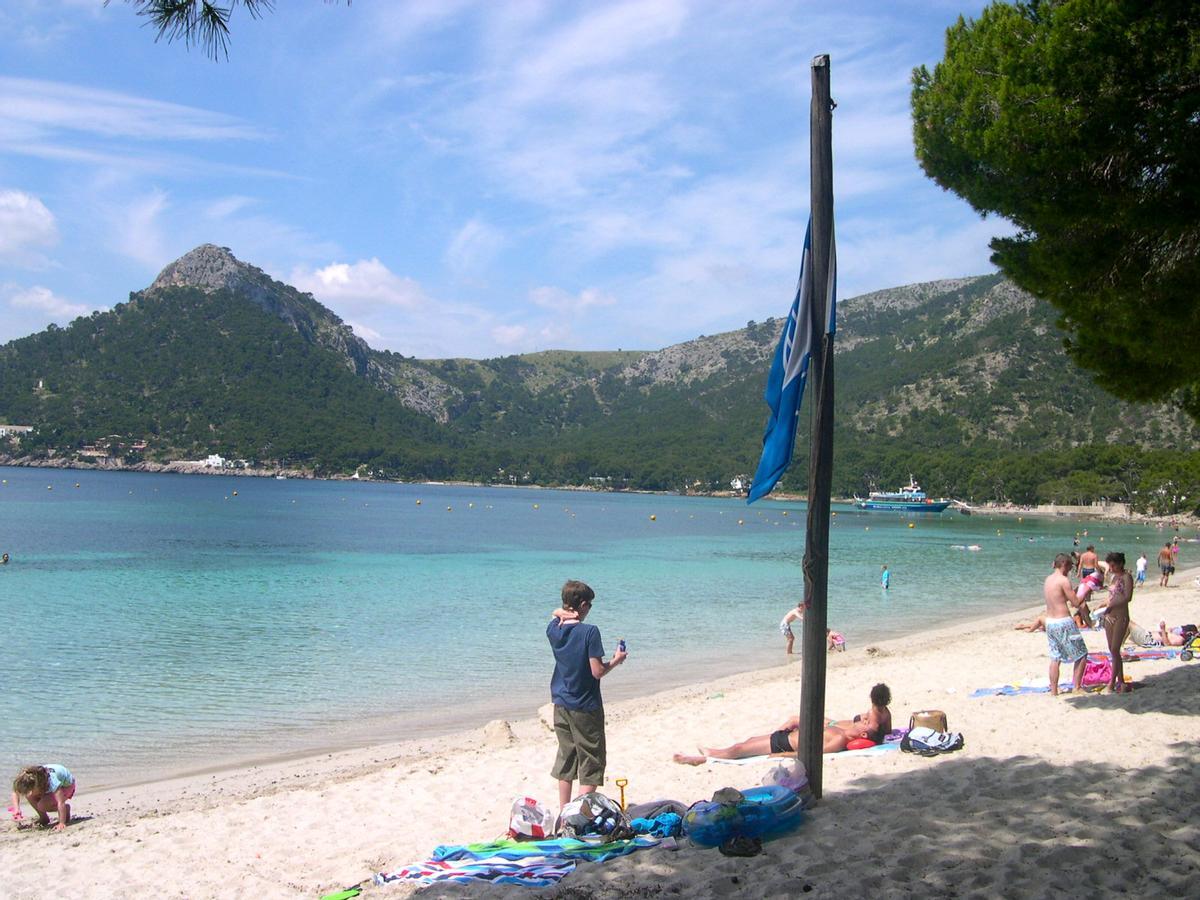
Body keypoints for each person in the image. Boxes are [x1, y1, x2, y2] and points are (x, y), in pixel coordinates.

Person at [546, 580, 626, 809]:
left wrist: (563, 612)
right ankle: (578, 814)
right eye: (589, 605)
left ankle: (563, 812)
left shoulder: (553, 628)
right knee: (592, 760)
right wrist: (616, 661)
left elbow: (555, 614)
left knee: (566, 757)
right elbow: (597, 671)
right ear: (582, 605)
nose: (590, 609)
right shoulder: (589, 632)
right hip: (585, 704)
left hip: (561, 701)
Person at [672, 684, 892, 764]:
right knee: (747, 742)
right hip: (787, 737)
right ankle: (710, 754)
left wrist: (782, 756)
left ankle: (705, 756)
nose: (863, 720)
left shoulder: (840, 738)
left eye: (864, 723)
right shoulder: (845, 731)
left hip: (784, 744)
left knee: (740, 749)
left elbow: (811, 754)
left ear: (863, 735)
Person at [1043, 553, 1088, 696]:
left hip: (1050, 621)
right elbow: (1075, 603)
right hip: (1063, 621)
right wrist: (1083, 591)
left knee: (1055, 657)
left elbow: (1059, 597)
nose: (1070, 570)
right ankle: (1077, 687)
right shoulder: (1063, 580)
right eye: (1069, 566)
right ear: (1063, 564)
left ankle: (1054, 690)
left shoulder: (1048, 580)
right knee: (1081, 654)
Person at [1103, 552, 1134, 693]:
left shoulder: (1127, 577)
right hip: (1110, 615)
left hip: (1121, 615)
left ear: (1121, 563)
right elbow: (1111, 596)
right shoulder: (1114, 577)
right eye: (1110, 565)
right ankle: (1120, 682)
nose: (1111, 567)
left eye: (1113, 565)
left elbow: (1127, 597)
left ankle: (1111, 683)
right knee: (1112, 650)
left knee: (1115, 649)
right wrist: (1105, 607)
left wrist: (1112, 605)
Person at [9, 764, 75, 831]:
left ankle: (66, 810)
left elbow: (60, 802)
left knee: (42, 805)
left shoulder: (52, 781)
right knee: (29, 795)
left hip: (67, 786)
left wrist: (61, 823)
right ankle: (44, 818)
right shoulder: (30, 776)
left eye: (32, 789)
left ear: (37, 786)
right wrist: (17, 809)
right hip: (45, 785)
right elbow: (16, 791)